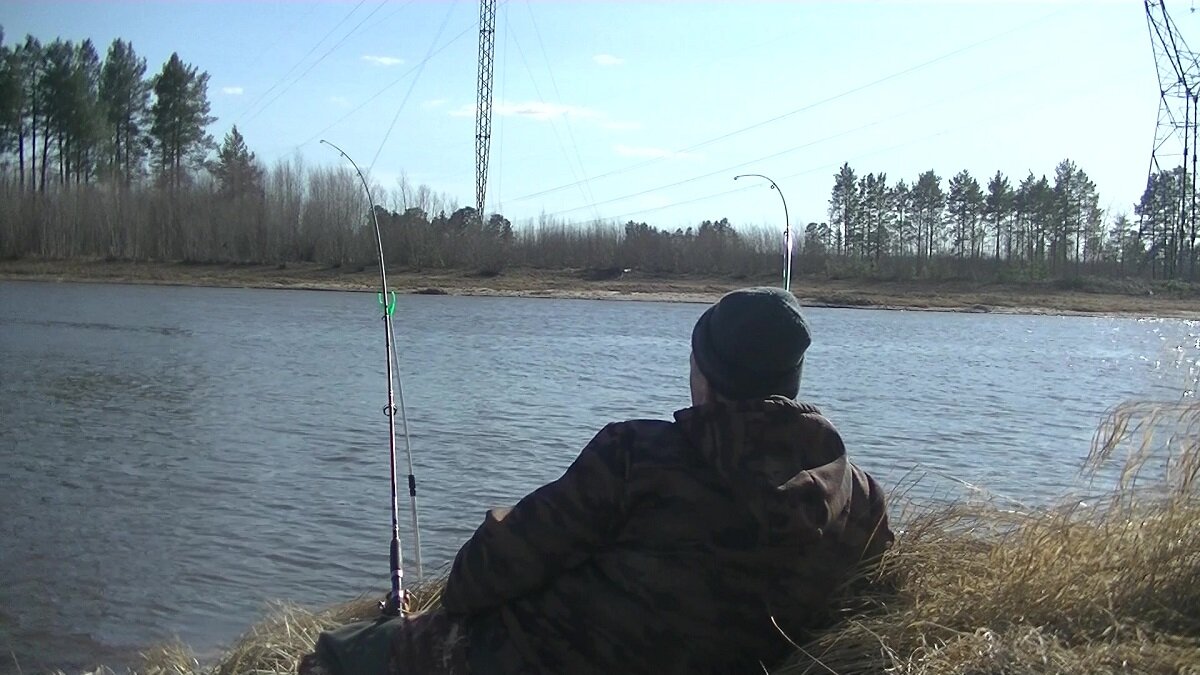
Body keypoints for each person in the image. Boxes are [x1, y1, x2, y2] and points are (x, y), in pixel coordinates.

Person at [299, 286, 893, 675]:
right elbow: (866, 610)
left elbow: (483, 577)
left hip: (541, 660)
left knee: (337, 656)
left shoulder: (637, 455)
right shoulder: (861, 501)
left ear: (705, 378)